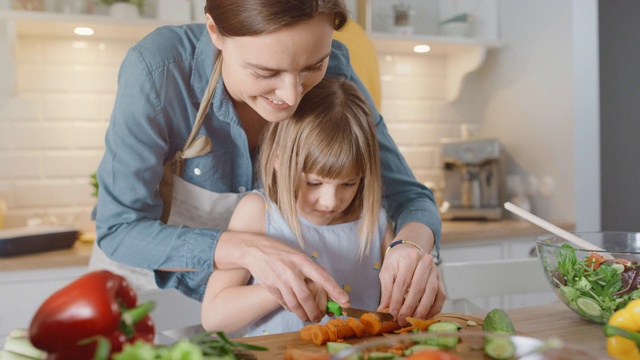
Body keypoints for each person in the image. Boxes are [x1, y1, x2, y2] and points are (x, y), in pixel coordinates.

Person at [91, 0, 445, 326]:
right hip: (147, 290)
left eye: (313, 66)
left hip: (260, 318)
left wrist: (410, 248)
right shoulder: (159, 69)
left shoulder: (337, 71)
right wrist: (246, 249)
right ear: (215, 32)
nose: (291, 96)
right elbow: (120, 227)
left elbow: (410, 198)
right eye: (264, 72)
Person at [201, 76, 394, 335]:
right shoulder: (259, 213)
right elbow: (214, 317)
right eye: (314, 183)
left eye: (348, 184)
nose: (330, 201)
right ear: (279, 159)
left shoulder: (375, 222)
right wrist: (288, 286)